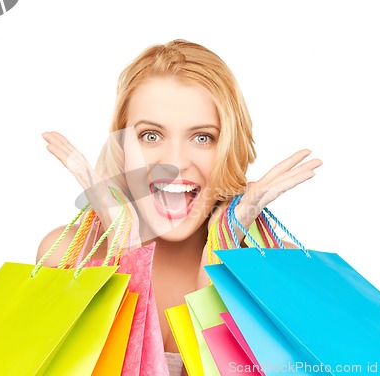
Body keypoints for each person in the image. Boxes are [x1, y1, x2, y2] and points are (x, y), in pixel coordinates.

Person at [37, 39, 322, 375]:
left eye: (202, 137)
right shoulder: (70, 258)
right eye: (150, 136)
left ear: (230, 146)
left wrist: (220, 260)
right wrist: (125, 252)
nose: (173, 162)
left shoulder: (280, 270)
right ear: (122, 145)